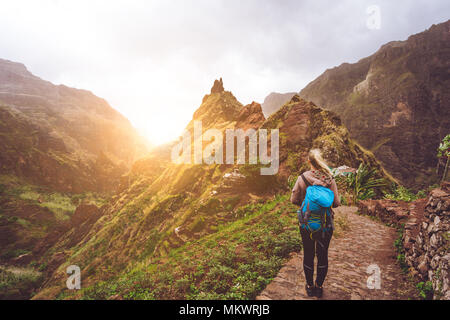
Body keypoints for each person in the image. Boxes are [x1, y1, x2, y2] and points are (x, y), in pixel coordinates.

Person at [290, 149, 340, 298]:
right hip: (326, 224)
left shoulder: (303, 178)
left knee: (308, 254)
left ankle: (309, 286)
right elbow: (336, 203)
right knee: (322, 255)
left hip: (307, 224)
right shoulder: (329, 179)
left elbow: (293, 200)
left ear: (309, 162)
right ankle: (319, 286)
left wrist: (307, 203)